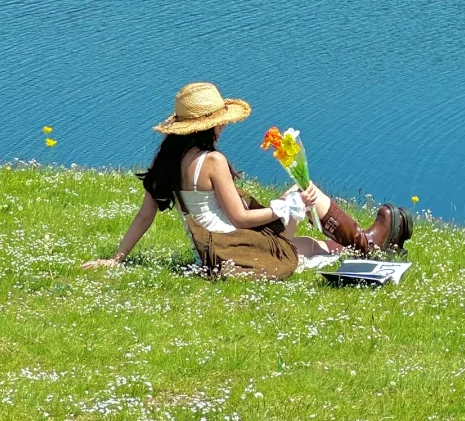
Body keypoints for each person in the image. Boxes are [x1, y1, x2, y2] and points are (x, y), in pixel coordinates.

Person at [82, 81, 411, 279]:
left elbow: (144, 216)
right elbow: (239, 218)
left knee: (315, 243)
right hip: (237, 247)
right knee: (311, 229)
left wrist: (116, 258)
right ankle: (369, 245)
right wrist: (285, 207)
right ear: (209, 126)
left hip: (210, 253)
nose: (223, 127)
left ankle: (367, 243)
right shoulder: (213, 161)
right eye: (219, 121)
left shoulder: (169, 162)